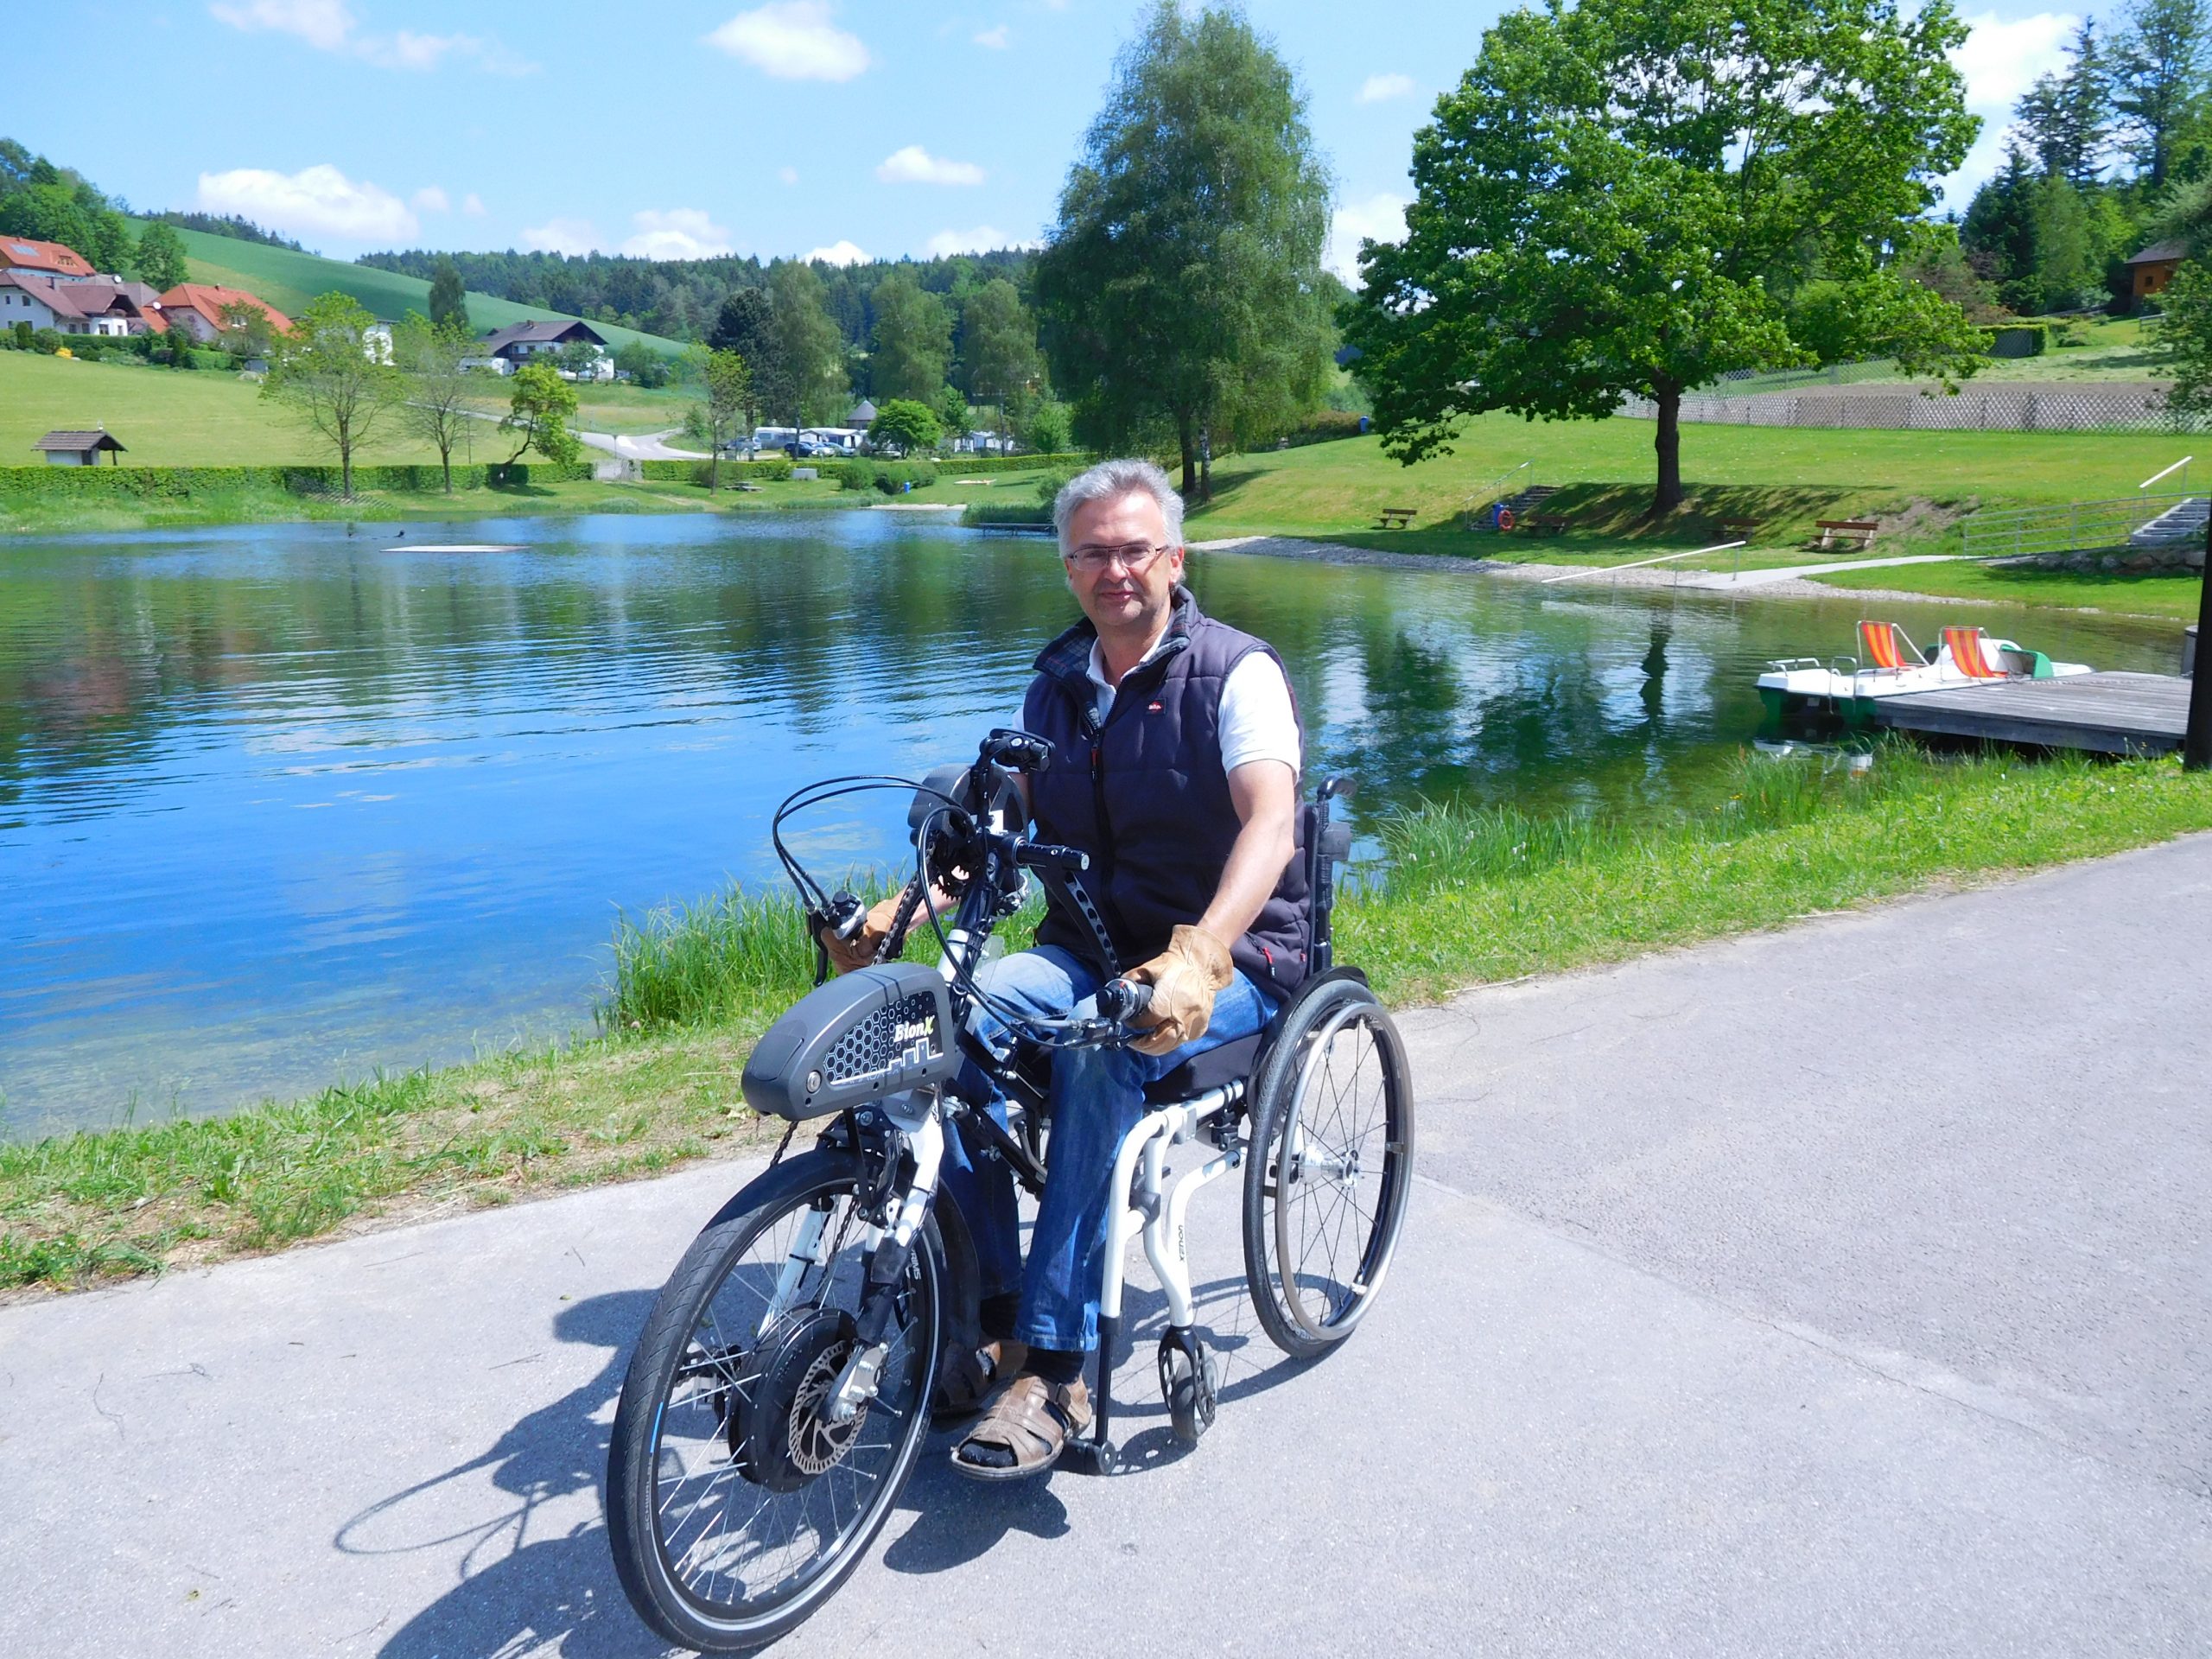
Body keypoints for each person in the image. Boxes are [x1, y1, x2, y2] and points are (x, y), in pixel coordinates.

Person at [820, 456, 1308, 1481]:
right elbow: (995, 836)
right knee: (937, 1023)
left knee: (1096, 1054)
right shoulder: (1055, 684)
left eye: (1135, 549)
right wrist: (899, 912)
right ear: (1066, 564)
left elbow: (1269, 826)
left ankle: (1057, 1363)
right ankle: (993, 1310)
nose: (1114, 570)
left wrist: (1203, 954)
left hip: (1234, 961)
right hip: (1084, 949)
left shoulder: (1236, 672)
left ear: (1174, 557)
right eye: (1092, 552)